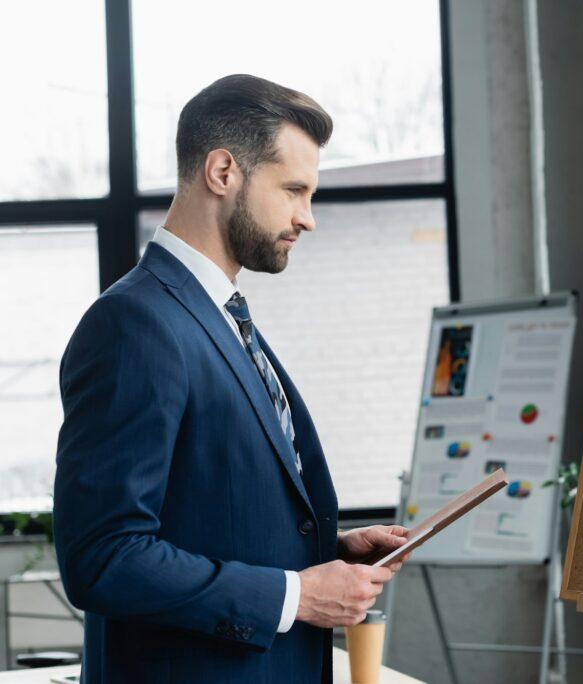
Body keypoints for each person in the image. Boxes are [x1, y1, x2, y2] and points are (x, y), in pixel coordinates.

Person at [53, 74, 409, 683]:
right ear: (223, 172)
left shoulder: (214, 314)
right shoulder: (135, 324)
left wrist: (323, 550)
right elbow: (103, 558)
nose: (308, 218)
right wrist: (295, 596)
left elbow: (205, 504)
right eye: (294, 190)